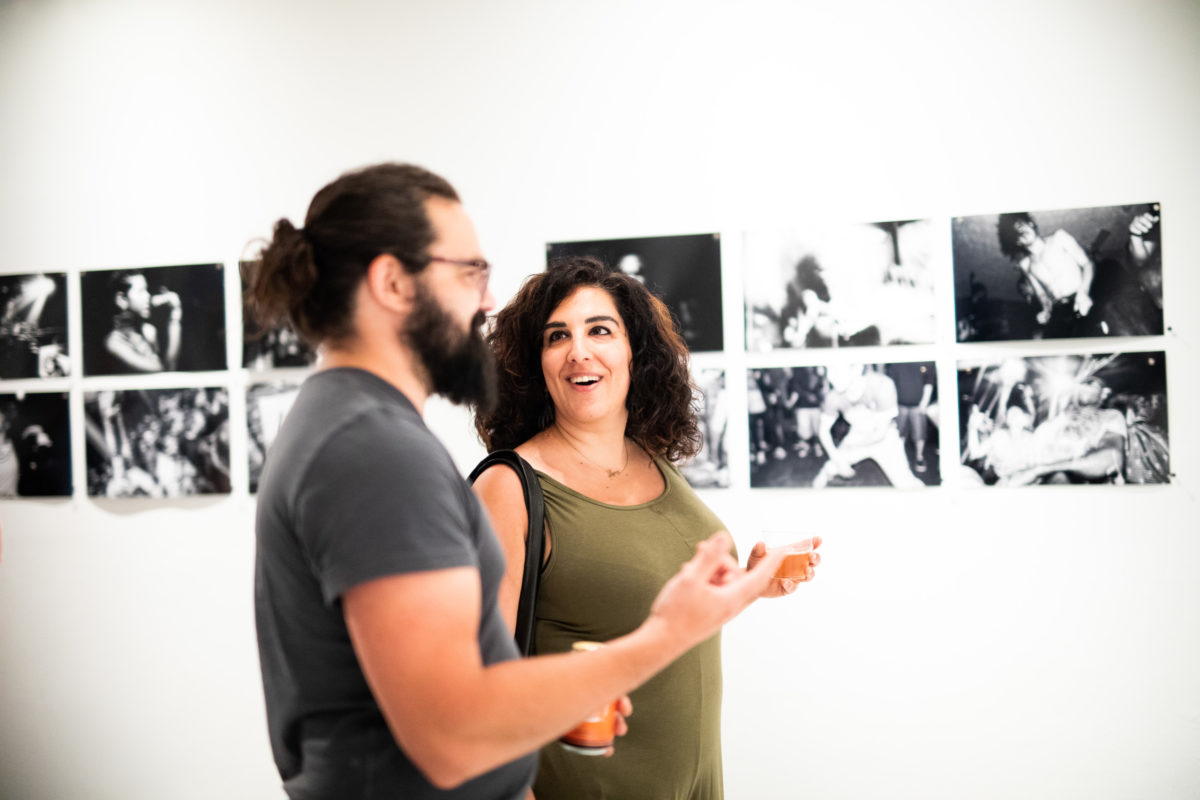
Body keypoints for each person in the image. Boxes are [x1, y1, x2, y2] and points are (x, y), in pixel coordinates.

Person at [246, 163, 790, 800]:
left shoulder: (348, 427)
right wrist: (664, 635)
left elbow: (462, 694)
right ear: (393, 281)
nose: (484, 301)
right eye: (469, 272)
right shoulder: (373, 450)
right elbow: (454, 733)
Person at [472, 254, 821, 800]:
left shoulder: (654, 460)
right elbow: (480, 690)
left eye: (600, 330)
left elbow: (651, 609)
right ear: (534, 362)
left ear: (634, 349)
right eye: (556, 336)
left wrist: (749, 585)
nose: (579, 351)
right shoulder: (510, 487)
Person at [812, 364, 923, 489]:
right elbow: (823, 431)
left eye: (837, 369)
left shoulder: (882, 384)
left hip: (885, 439)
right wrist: (837, 458)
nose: (831, 377)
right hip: (858, 434)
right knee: (826, 473)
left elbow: (880, 433)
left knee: (907, 484)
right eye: (829, 370)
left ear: (857, 368)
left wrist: (848, 451)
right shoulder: (833, 396)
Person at [103, 270, 182, 373]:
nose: (148, 296)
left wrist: (175, 314)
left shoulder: (148, 330)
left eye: (147, 290)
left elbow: (170, 367)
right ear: (122, 299)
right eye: (141, 291)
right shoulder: (114, 342)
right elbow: (161, 372)